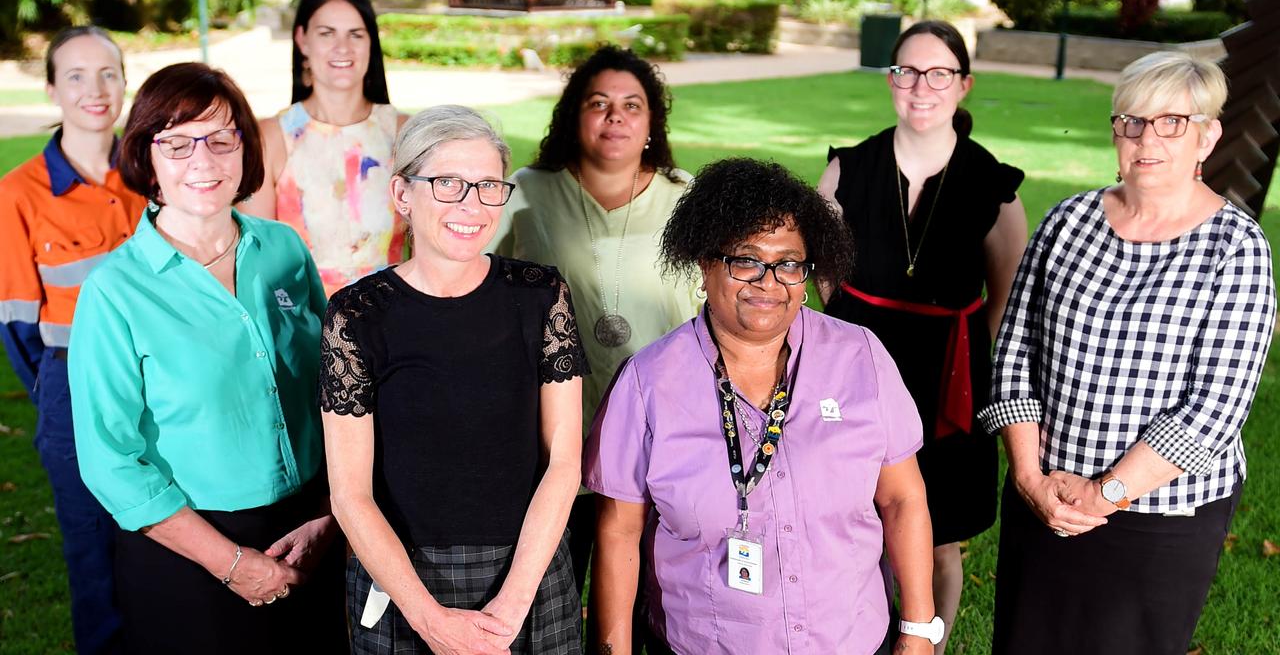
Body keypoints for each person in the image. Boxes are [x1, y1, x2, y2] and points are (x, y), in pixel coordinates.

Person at [978, 51, 1276, 655]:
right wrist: (1032, 480)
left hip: (1160, 516)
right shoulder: (1069, 221)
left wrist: (1106, 493)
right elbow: (1014, 353)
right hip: (1047, 497)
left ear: (1207, 136)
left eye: (1172, 122)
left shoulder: (1236, 247)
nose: (1147, 139)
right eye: (1131, 121)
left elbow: (1215, 409)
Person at [585, 158, 940, 655]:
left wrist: (919, 629)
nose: (768, 282)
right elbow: (619, 531)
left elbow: (903, 500)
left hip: (851, 641)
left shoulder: (860, 357)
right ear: (705, 263)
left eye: (789, 263)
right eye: (745, 260)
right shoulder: (648, 383)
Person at [67, 62, 345, 653]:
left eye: (222, 139)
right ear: (147, 155)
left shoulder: (284, 250)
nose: (204, 160)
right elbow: (111, 462)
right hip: (189, 549)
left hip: (310, 530)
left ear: (245, 149)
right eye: (177, 142)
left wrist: (329, 509)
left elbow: (331, 386)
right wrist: (231, 563)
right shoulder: (114, 292)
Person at [321, 105, 586, 655]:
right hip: (404, 583)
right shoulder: (357, 315)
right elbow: (350, 497)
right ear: (402, 195)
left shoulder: (541, 295)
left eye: (489, 186)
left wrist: (511, 609)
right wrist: (431, 620)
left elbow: (564, 463)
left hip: (528, 573)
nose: (472, 205)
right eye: (448, 184)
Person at [818, 20, 1027, 653]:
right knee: (852, 521)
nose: (921, 86)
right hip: (858, 369)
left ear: (963, 85)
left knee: (937, 536)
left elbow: (1003, 296)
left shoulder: (993, 183)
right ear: (891, 80)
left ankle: (926, 645)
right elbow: (824, 281)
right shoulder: (845, 170)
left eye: (938, 73)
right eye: (907, 70)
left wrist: (957, 357)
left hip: (948, 379)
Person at [491, 44, 700, 597]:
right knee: (550, 589)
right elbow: (475, 282)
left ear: (652, 122)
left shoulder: (686, 197)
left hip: (665, 425)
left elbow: (715, 308)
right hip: (555, 425)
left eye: (632, 105)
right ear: (573, 115)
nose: (615, 117)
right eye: (599, 102)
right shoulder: (528, 191)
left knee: (651, 594)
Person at [0, 25, 142, 654]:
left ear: (124, 82)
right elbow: (16, 323)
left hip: (163, 380)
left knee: (167, 543)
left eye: (108, 73)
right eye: (77, 76)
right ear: (53, 89)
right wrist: (58, 392)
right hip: (71, 385)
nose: (96, 89)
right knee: (95, 555)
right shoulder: (18, 194)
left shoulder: (154, 173)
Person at [241, 0, 407, 295]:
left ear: (371, 43)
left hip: (394, 327)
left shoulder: (404, 133)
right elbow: (257, 262)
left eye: (356, 34)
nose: (342, 47)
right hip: (302, 329)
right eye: (326, 33)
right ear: (302, 39)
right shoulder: (270, 138)